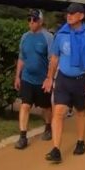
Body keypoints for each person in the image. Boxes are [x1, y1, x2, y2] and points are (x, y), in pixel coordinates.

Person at [42, 3, 85, 164]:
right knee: (59, 112)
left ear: (81, 16)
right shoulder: (61, 35)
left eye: (72, 13)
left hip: (81, 80)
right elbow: (54, 58)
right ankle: (56, 149)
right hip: (63, 79)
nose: (68, 16)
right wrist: (50, 77)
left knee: (80, 111)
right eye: (67, 13)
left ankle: (81, 141)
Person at [14, 10, 54, 149]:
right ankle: (23, 136)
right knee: (25, 105)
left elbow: (52, 60)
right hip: (27, 78)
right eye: (29, 19)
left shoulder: (48, 37)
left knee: (45, 107)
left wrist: (49, 78)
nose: (31, 22)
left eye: (34, 19)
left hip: (42, 80)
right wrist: (17, 77)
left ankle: (48, 127)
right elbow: (21, 58)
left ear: (41, 21)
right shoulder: (25, 37)